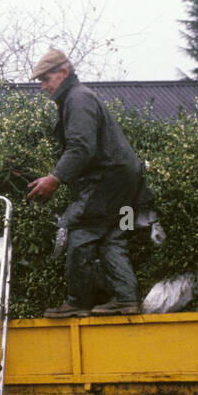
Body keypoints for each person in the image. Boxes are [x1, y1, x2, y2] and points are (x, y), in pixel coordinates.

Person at [26, 49, 143, 316]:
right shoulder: (77, 98)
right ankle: (126, 298)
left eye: (46, 79)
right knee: (111, 235)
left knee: (80, 228)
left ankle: (77, 302)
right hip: (120, 177)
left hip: (106, 178)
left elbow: (81, 148)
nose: (43, 87)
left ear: (63, 73)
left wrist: (54, 179)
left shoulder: (78, 99)